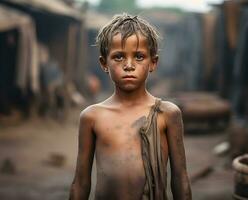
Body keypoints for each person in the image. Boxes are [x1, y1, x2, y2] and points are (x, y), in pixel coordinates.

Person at [69, 13, 191, 200]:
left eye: (139, 57)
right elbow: (81, 182)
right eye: (118, 57)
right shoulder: (92, 117)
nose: (129, 65)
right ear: (104, 63)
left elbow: (180, 179)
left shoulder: (167, 114)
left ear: (153, 62)